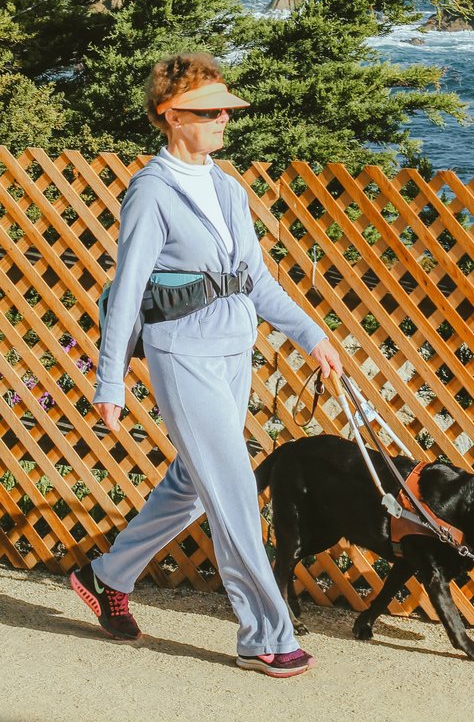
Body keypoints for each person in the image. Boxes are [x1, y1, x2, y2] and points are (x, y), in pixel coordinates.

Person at [71, 52, 342, 679]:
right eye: (209, 111)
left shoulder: (225, 186)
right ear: (171, 116)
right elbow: (130, 287)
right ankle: (264, 634)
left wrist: (311, 334)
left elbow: (256, 280)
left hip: (231, 351)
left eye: (226, 109)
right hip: (181, 353)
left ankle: (106, 575)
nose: (224, 119)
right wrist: (109, 381)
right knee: (235, 490)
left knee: (195, 485)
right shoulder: (151, 191)